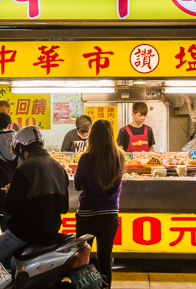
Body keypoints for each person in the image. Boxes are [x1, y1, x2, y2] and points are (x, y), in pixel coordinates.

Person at [0, 126, 69, 289]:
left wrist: (11, 191)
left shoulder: (25, 168)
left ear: (21, 147)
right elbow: (64, 207)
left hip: (23, 233)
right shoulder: (58, 168)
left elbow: (11, 208)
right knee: (14, 265)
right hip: (51, 231)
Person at [74, 119, 124, 287]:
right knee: (105, 259)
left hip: (88, 215)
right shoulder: (120, 156)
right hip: (110, 216)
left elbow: (76, 185)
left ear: (92, 136)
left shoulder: (86, 158)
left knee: (82, 259)